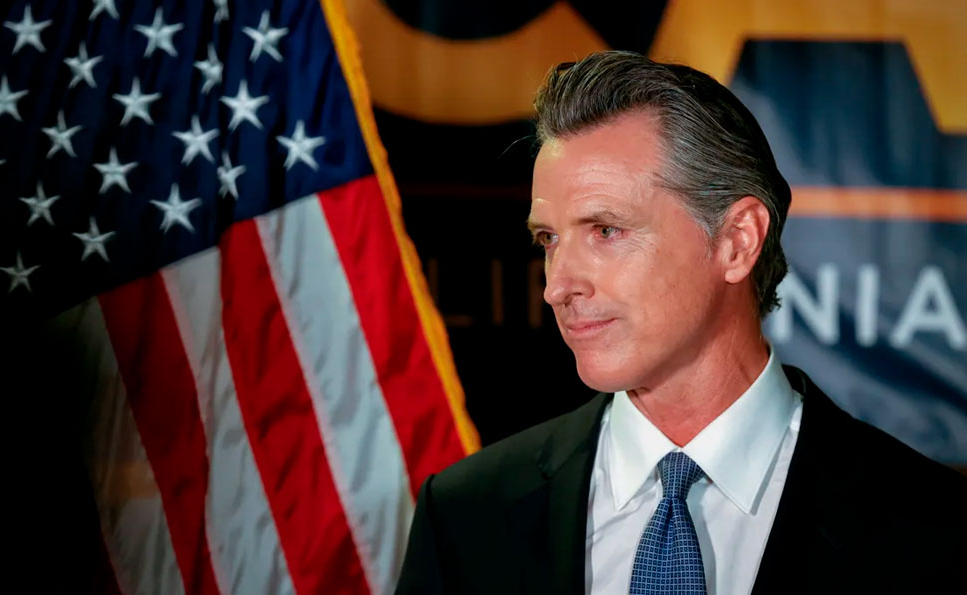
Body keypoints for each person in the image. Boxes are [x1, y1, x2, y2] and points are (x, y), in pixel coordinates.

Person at [394, 51, 967, 595]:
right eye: (549, 239)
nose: (557, 286)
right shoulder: (466, 516)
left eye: (606, 231)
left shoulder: (934, 531)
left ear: (737, 241)